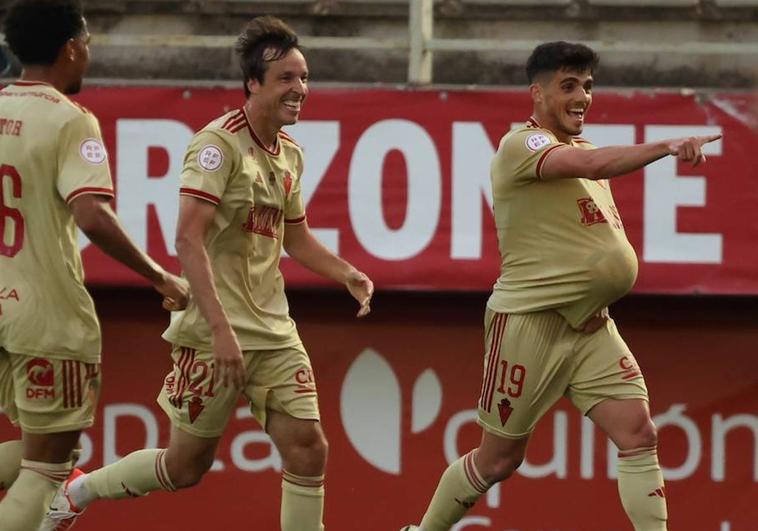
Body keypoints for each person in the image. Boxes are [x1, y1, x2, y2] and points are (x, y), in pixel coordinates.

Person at [40, 14, 374, 531]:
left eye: (304, 77)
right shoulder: (215, 147)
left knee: (309, 450)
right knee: (185, 465)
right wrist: (220, 330)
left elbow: (296, 237)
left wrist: (346, 272)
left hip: (273, 332)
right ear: (252, 83)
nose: (300, 89)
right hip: (212, 333)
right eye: (286, 78)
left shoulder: (291, 155)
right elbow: (186, 238)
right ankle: (77, 491)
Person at [402, 41, 720, 531]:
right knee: (498, 461)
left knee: (639, 433)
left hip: (590, 328)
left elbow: (593, 217)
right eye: (568, 86)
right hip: (530, 326)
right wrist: (666, 145)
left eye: (588, 86)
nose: (582, 97)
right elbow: (589, 167)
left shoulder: (587, 151)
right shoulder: (521, 145)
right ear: (537, 93)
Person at [0, 1, 189, 529]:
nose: (88, 55)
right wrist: (160, 276)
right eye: (87, 44)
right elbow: (91, 212)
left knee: (43, 455)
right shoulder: (69, 119)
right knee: (47, 468)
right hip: (45, 313)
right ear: (71, 48)